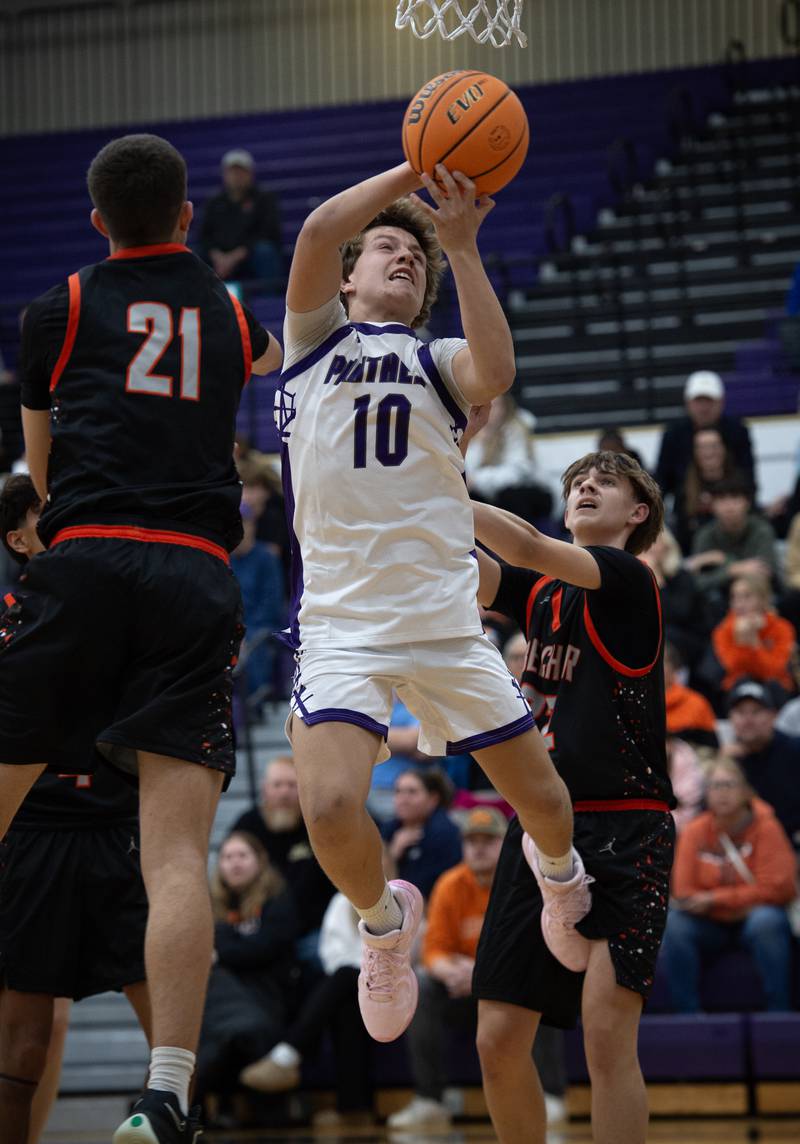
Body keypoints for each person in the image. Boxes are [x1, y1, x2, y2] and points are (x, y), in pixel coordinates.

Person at [0, 133, 282, 1144]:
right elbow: (274, 355)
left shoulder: (58, 310)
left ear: (93, 221)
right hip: (193, 577)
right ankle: (166, 1094)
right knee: (173, 856)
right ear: (187, 216)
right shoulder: (232, 313)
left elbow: (39, 473)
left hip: (85, 560)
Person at [277, 159, 590, 1043]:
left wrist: (460, 244)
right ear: (348, 277)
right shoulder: (314, 342)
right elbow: (311, 231)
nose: (402, 259)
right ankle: (384, 925)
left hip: (446, 622)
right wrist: (416, 170)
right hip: (344, 623)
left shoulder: (438, 359)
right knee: (332, 810)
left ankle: (560, 875)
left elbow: (495, 368)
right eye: (383, 247)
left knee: (548, 806)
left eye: (414, 259)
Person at [470, 450, 674, 1144]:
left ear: (637, 513)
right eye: (576, 481)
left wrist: (429, 486)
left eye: (604, 482)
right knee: (496, 1038)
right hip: (541, 828)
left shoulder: (628, 578)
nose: (585, 486)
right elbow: (474, 569)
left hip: (628, 827)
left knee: (605, 1035)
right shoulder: (541, 595)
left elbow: (524, 544)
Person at [0, 475, 152, 1144]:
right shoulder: (12, 618)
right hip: (34, 831)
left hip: (120, 822)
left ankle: (182, 1120)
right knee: (28, 1041)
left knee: (174, 1031)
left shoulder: (117, 601)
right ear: (19, 539)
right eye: (45, 513)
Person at [386, 805, 507, 1129]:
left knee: (541, 982)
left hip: (507, 988)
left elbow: (530, 952)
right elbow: (434, 950)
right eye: (471, 840)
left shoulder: (518, 885)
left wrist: (481, 973)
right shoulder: (450, 884)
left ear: (505, 845)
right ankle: (429, 1100)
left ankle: (550, 1094)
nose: (478, 847)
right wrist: (449, 971)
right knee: (422, 985)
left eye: (488, 840)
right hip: (461, 990)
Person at [660, 757, 796, 1013]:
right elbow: (684, 892)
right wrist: (739, 901)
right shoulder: (695, 831)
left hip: (754, 918)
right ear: (706, 794)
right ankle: (688, 1018)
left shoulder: (767, 827)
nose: (722, 793)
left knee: (766, 922)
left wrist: (714, 900)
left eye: (729, 785)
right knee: (676, 924)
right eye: (715, 786)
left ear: (746, 791)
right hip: (712, 924)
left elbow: (779, 888)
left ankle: (779, 1014)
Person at [237, 892, 375, 1130]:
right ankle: (354, 1109)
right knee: (346, 998)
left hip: (395, 984)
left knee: (344, 980)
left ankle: (288, 1055)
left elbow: (407, 951)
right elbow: (331, 952)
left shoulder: (402, 896)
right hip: (357, 985)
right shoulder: (342, 900)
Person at [197, 832, 298, 1113]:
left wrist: (224, 950)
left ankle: (176, 1100)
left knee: (229, 1027)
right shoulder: (209, 903)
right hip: (222, 998)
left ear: (260, 861)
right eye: (228, 857)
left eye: (242, 856)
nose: (234, 863)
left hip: (267, 994)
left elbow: (268, 946)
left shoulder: (278, 898)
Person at [231, 755, 333, 964]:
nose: (284, 792)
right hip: (261, 927)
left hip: (314, 928)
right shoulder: (248, 824)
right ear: (265, 789)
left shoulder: (318, 824)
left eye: (291, 785)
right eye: (277, 785)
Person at [723, 679, 800, 854]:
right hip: (742, 850)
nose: (748, 720)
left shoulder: (795, 751)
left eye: (756, 712)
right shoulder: (728, 761)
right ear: (731, 719)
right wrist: (725, 766)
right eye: (741, 712)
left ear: (773, 716)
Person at [655, 370, 755, 505]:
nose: (704, 408)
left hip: (732, 504)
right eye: (698, 401)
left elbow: (748, 476)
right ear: (688, 403)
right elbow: (662, 479)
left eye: (709, 401)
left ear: (721, 402)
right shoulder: (673, 433)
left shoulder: (738, 431)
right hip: (686, 510)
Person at [687, 477, 779, 605]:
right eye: (722, 500)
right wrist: (732, 570)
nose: (729, 507)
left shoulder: (761, 530)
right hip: (718, 600)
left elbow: (766, 574)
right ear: (712, 505)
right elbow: (695, 583)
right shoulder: (705, 535)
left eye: (735, 498)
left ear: (747, 502)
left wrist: (724, 561)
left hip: (756, 599)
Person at [463, 393, 553, 525]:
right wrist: (479, 442)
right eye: (485, 405)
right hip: (491, 494)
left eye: (496, 406)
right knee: (470, 500)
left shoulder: (514, 427)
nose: (490, 411)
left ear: (506, 407)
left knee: (510, 497)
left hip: (529, 491)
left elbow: (517, 472)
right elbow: (466, 469)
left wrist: (477, 480)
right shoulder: (472, 431)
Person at [198, 149, 282, 289]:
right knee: (195, 255)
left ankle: (269, 299)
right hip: (219, 257)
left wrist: (236, 256)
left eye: (241, 171)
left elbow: (269, 232)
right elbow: (204, 235)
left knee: (265, 251)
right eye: (232, 171)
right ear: (224, 175)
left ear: (250, 174)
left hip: (249, 255)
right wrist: (217, 255)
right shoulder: (214, 202)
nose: (236, 176)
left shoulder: (264, 199)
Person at [230, 502, 285, 703]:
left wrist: (243, 633)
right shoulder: (223, 558)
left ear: (253, 526)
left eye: (245, 523)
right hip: (230, 628)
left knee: (251, 647)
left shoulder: (266, 558)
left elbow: (271, 604)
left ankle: (249, 704)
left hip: (258, 628)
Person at [380, 768, 463, 899]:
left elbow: (427, 889)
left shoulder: (444, 833)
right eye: (398, 791)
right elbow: (373, 883)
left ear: (433, 799)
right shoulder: (389, 828)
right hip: (398, 904)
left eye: (412, 792)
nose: (403, 799)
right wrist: (393, 853)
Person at [639, 527, 710, 674]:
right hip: (658, 639)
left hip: (688, 639)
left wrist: (657, 579)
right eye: (643, 542)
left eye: (653, 542)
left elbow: (677, 614)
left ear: (667, 546)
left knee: (663, 633)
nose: (648, 547)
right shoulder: (637, 579)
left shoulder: (682, 576)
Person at [712, 574, 796, 695]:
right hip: (739, 686)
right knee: (742, 685)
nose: (739, 604)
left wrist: (753, 642)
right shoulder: (723, 630)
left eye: (747, 597)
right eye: (735, 598)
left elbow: (775, 670)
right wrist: (742, 640)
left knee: (773, 687)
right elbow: (734, 668)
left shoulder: (782, 628)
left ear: (763, 599)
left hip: (775, 686)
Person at [673, 429, 750, 555]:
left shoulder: (739, 482)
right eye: (702, 447)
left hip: (738, 552)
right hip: (697, 554)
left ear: (723, 449)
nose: (708, 452)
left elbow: (751, 519)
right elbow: (681, 531)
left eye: (714, 446)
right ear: (695, 452)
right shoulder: (685, 488)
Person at [664, 642, 718, 749]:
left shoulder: (696, 704)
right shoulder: (632, 706)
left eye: (660, 662)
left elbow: (711, 751)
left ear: (674, 668)